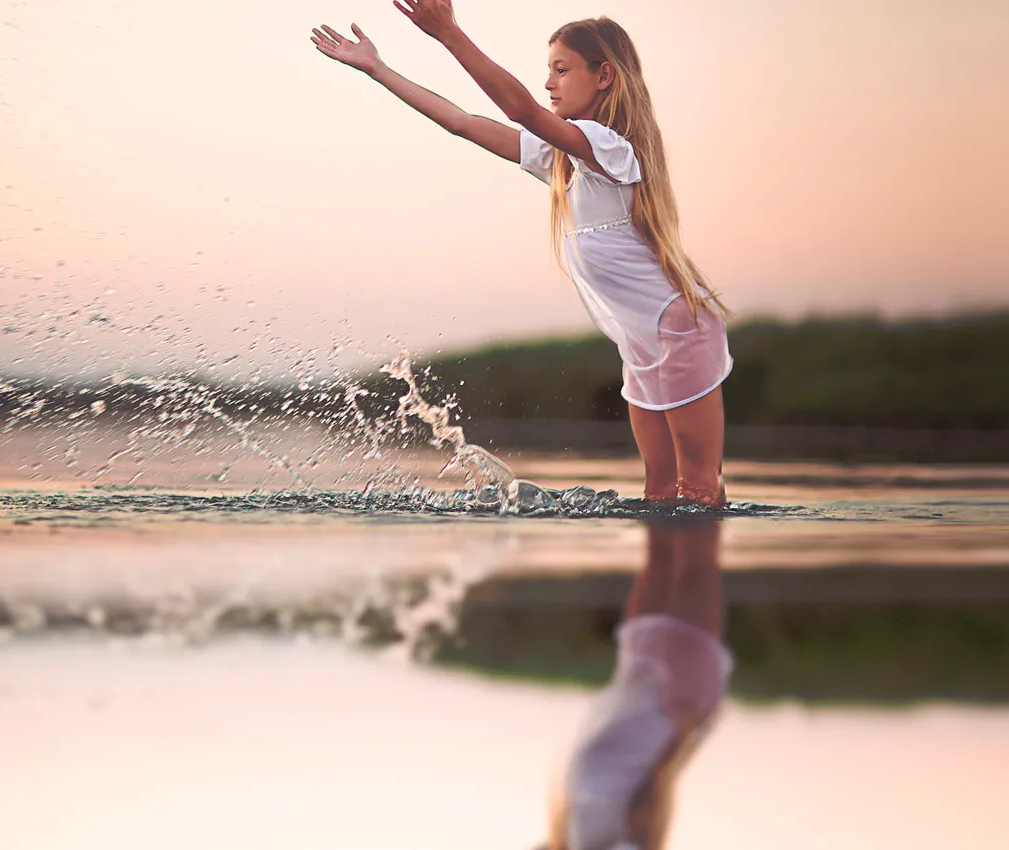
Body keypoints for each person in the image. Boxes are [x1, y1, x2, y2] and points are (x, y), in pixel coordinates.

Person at [310, 3, 734, 506]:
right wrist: (379, 70)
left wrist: (449, 34)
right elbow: (464, 123)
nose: (550, 83)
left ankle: (706, 580)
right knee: (661, 495)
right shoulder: (563, 160)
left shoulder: (612, 149)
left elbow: (521, 110)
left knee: (698, 491)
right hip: (641, 344)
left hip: (678, 328)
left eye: (561, 70)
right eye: (548, 71)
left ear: (604, 76)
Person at [545, 518, 732, 849]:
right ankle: (701, 483)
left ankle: (673, 479)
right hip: (673, 707)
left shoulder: (571, 840)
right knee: (695, 564)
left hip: (643, 687)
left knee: (660, 558)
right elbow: (651, 799)